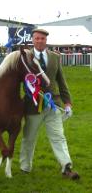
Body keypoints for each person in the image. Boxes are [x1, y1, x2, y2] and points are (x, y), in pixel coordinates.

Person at [20, 29, 79, 180]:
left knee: (59, 137)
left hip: (54, 105)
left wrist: (67, 103)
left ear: (46, 40)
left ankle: (67, 167)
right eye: (37, 38)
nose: (40, 41)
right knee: (29, 138)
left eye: (42, 38)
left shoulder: (55, 57)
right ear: (32, 40)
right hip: (32, 106)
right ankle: (25, 167)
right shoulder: (25, 57)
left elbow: (61, 81)